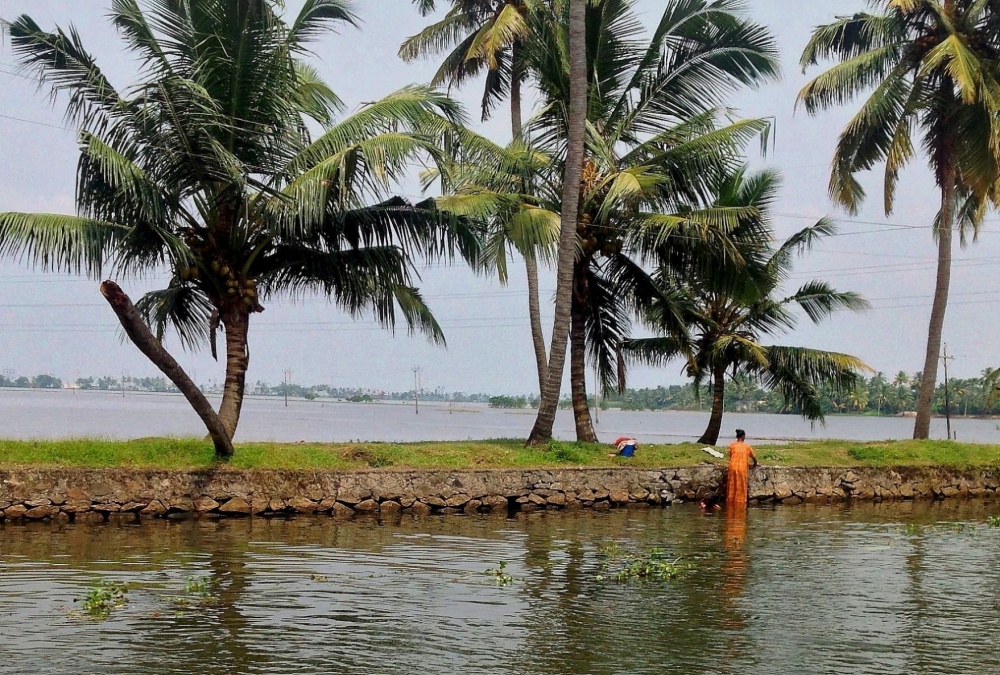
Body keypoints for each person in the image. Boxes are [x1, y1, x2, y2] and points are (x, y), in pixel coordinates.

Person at [725, 428, 758, 508]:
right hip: (742, 468)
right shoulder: (747, 447)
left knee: (732, 484)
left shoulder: (732, 445)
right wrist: (755, 464)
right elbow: (754, 458)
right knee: (741, 485)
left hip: (732, 466)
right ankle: (740, 501)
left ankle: (731, 500)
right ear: (743, 436)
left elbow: (730, 456)